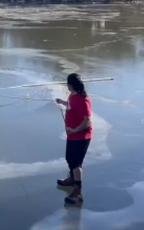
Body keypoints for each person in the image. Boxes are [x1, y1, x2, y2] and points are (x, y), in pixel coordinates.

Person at [55, 73, 93, 205]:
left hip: (82, 136)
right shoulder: (73, 95)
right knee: (70, 159)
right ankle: (72, 179)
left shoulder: (83, 99)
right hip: (72, 135)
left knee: (76, 163)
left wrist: (75, 130)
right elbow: (72, 106)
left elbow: (87, 120)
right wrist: (62, 102)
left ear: (70, 85)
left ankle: (78, 193)